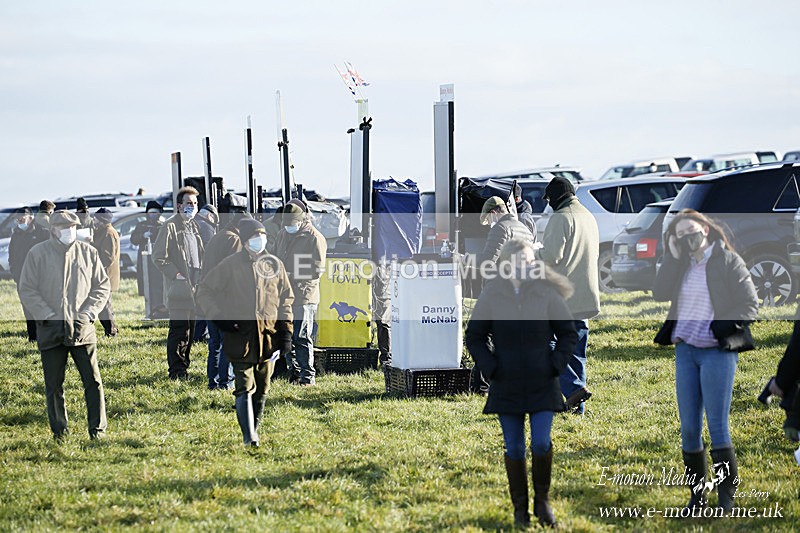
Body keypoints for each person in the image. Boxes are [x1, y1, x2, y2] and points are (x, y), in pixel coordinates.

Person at [466, 238, 578, 527]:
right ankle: (520, 510)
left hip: (543, 383)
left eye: (529, 262)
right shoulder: (492, 293)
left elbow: (568, 334)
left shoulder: (546, 292)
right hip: (506, 384)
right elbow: (474, 337)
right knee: (514, 448)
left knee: (541, 443)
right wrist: (490, 367)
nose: (524, 267)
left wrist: (555, 364)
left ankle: (542, 502)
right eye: (518, 262)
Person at [653, 208, 758, 514]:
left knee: (718, 427)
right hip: (686, 352)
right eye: (681, 235)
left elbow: (749, 304)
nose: (688, 238)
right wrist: (672, 256)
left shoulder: (727, 260)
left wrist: (720, 328)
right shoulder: (681, 263)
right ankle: (697, 499)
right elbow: (659, 292)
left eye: (692, 232)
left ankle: (726, 499)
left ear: (706, 230)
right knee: (688, 430)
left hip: (716, 352)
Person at [197, 219, 294, 447]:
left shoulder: (274, 265)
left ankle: (255, 428)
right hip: (239, 336)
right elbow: (204, 291)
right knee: (244, 387)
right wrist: (220, 318)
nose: (259, 240)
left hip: (268, 338)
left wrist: (286, 333)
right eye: (254, 236)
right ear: (244, 240)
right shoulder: (229, 265)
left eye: (262, 235)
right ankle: (249, 437)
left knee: (262, 389)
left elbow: (286, 301)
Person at [17, 211, 111, 440]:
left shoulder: (88, 253)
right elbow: (27, 288)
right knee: (54, 385)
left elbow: (102, 286)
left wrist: (89, 313)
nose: (70, 230)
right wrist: (46, 314)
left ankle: (97, 430)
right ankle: (60, 432)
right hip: (51, 329)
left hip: (83, 329)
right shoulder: (37, 253)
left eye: (73, 226)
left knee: (93, 381)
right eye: (65, 226)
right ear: (53, 229)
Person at [536, 177, 600, 414]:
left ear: (554, 198)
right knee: (576, 353)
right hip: (586, 296)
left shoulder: (560, 217)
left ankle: (572, 388)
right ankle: (577, 409)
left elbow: (551, 256)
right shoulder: (588, 216)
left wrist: (534, 253)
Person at [200, 196, 252, 390]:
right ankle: (225, 382)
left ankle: (213, 382)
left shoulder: (218, 236)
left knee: (214, 344)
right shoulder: (234, 240)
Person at [152, 186, 204, 380]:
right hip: (179, 288)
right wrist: (176, 275)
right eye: (189, 203)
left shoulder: (194, 226)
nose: (193, 207)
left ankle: (184, 367)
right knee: (179, 331)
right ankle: (176, 372)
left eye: (195, 204)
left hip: (195, 287)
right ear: (180, 206)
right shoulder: (170, 226)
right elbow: (159, 257)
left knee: (190, 332)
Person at [275, 202, 327, 385]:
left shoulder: (314, 238)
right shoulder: (282, 233)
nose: (288, 227)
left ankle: (307, 376)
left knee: (302, 336)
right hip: (284, 294)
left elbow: (318, 269)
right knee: (287, 334)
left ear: (301, 219)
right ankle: (294, 373)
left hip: (305, 295)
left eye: (291, 223)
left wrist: (292, 274)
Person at [8, 207, 49, 341]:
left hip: (40, 278)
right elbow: (12, 256)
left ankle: (46, 334)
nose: (20, 222)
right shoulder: (16, 234)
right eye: (17, 220)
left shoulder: (42, 233)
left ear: (30, 217)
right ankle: (33, 337)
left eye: (22, 219)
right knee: (27, 308)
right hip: (22, 278)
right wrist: (15, 274)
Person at [477, 196, 535, 269]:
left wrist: (465, 259)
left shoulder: (500, 228)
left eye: (488, 220)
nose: (489, 224)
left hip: (507, 277)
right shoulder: (524, 228)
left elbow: (487, 261)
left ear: (493, 213)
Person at [130, 201, 166, 316]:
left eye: (155, 213)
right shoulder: (141, 226)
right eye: (151, 213)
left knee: (159, 285)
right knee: (147, 284)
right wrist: (143, 236)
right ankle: (150, 309)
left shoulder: (163, 225)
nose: (153, 215)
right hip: (145, 260)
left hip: (159, 259)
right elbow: (133, 240)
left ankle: (160, 309)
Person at [91, 208, 120, 337]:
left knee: (104, 305)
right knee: (105, 304)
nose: (94, 220)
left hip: (105, 275)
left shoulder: (109, 233)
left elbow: (107, 258)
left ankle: (111, 331)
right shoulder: (102, 231)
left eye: (96, 218)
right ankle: (112, 329)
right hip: (103, 274)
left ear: (102, 220)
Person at [193, 204, 218, 343]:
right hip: (203, 271)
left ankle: (196, 334)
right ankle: (199, 335)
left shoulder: (194, 223)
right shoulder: (206, 227)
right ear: (210, 216)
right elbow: (210, 251)